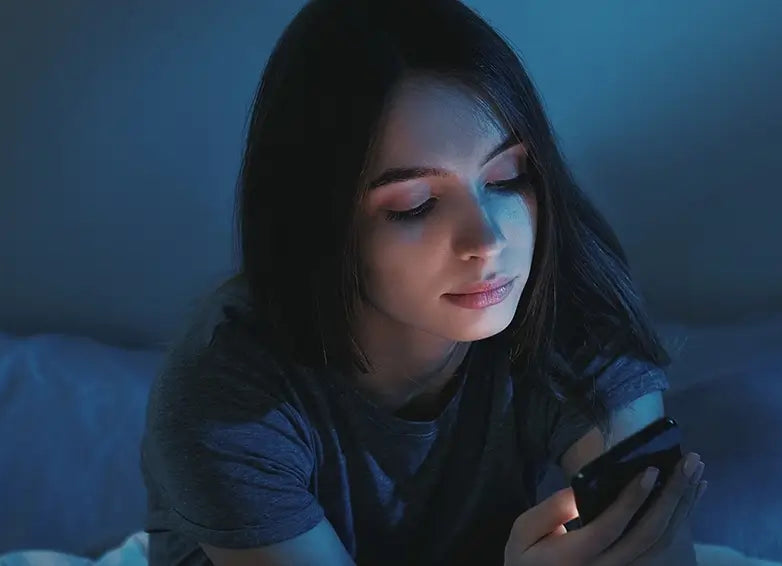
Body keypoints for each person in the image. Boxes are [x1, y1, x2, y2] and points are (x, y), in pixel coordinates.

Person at [140, 1, 707, 564]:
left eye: (507, 178)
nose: (487, 240)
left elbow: (657, 554)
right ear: (320, 226)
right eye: (416, 206)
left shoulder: (567, 306)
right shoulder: (228, 391)